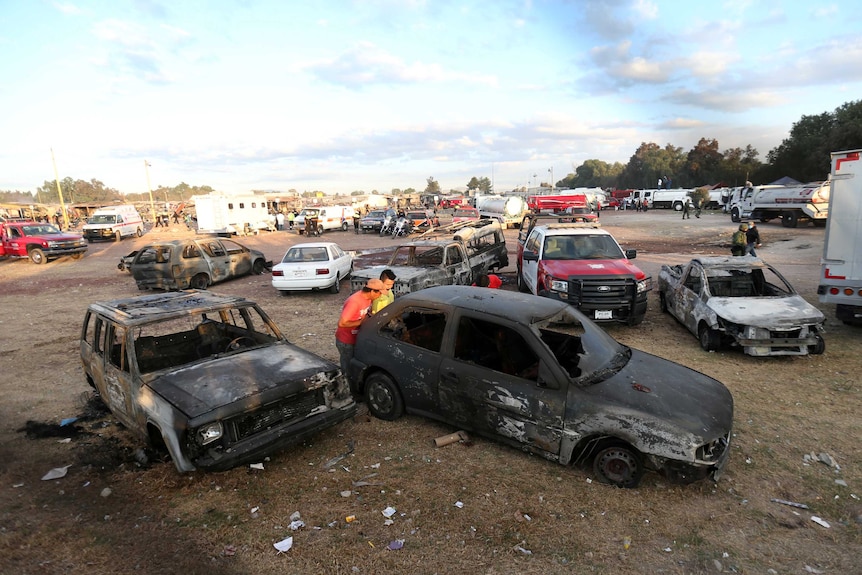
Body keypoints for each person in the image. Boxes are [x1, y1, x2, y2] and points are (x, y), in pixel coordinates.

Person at [335, 278, 385, 383]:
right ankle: (346, 390)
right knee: (347, 368)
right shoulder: (354, 302)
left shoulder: (368, 299)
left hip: (355, 338)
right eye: (379, 293)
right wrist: (361, 323)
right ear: (372, 291)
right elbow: (342, 323)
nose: (380, 296)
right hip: (346, 341)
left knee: (354, 365)